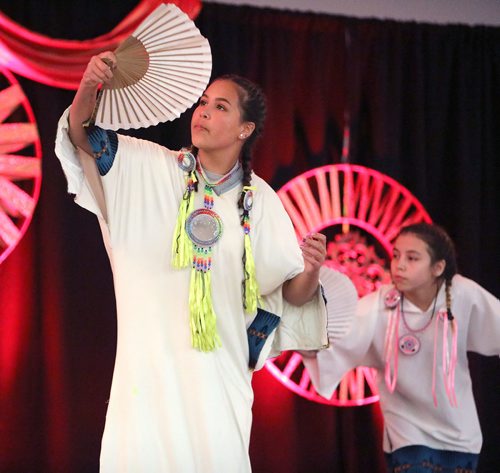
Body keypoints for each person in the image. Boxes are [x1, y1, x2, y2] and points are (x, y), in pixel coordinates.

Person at [54, 51, 330, 472]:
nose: (203, 112)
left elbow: (290, 290)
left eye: (220, 107)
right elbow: (82, 133)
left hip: (219, 378)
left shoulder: (260, 202)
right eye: (202, 103)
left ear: (245, 128)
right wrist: (88, 85)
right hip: (146, 378)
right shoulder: (150, 167)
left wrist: (311, 269)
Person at [304, 222, 500, 473]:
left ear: (438, 267)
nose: (400, 265)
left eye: (412, 258)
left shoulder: (461, 294)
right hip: (407, 433)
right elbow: (341, 335)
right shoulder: (381, 304)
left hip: (458, 433)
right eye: (396, 256)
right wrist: (306, 340)